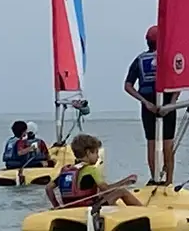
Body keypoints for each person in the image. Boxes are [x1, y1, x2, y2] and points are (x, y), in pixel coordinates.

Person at [125, 25, 178, 185]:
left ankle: (155, 178)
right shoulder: (169, 58)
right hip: (167, 104)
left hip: (148, 105)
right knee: (167, 143)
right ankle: (169, 181)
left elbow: (128, 86)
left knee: (152, 143)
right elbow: (178, 83)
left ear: (147, 41)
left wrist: (145, 102)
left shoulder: (139, 60)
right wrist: (172, 103)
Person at [45, 134, 142, 213]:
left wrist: (57, 206)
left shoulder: (66, 170)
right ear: (88, 152)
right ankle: (143, 211)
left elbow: (48, 188)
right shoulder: (91, 170)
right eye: (95, 153)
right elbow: (106, 189)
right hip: (89, 208)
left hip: (69, 208)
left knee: (99, 195)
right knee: (122, 191)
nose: (97, 156)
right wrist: (125, 181)